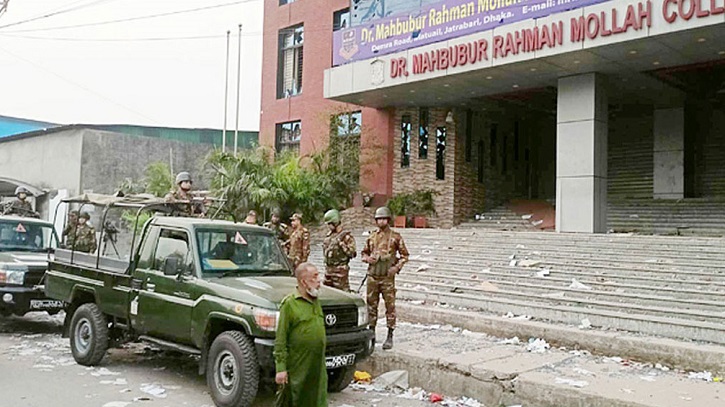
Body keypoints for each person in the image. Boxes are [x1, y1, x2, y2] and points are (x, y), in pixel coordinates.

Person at [274, 262, 327, 407]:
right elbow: (281, 338)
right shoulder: (290, 304)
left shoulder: (315, 300)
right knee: (297, 398)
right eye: (315, 277)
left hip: (317, 363)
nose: (319, 281)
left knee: (318, 397)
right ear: (304, 282)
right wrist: (281, 368)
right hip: (298, 364)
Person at [361, 206, 409, 350]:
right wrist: (367, 259)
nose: (381, 221)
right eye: (378, 219)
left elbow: (405, 256)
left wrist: (396, 267)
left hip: (387, 278)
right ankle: (372, 333)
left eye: (383, 219)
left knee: (390, 307)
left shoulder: (395, 237)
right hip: (373, 276)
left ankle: (390, 335)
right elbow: (363, 253)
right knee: (371, 306)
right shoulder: (371, 237)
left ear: (388, 219)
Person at [321, 209, 356, 291]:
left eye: (330, 224)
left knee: (343, 294)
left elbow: (352, 253)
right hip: (328, 271)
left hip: (340, 272)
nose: (328, 226)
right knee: (327, 292)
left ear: (335, 222)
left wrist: (342, 245)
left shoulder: (346, 237)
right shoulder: (328, 236)